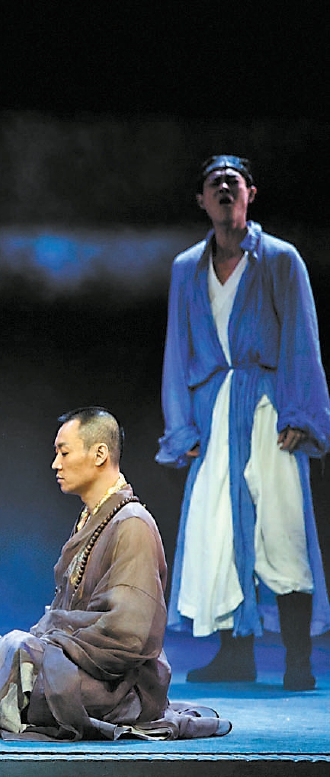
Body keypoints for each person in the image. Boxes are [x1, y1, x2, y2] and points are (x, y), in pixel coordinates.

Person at [0, 408, 230, 741]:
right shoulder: (92, 519)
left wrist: (48, 645)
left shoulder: (133, 524)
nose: (56, 464)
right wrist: (46, 643)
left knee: (7, 654)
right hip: (74, 662)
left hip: (114, 686)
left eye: (64, 452)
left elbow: (127, 639)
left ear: (100, 454)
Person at [157, 155, 330, 691]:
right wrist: (181, 428)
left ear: (250, 194)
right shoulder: (187, 267)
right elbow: (177, 350)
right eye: (215, 183)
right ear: (202, 200)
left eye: (234, 182)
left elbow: (301, 339)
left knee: (282, 528)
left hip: (268, 409)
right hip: (214, 412)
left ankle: (297, 660)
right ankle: (235, 655)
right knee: (217, 532)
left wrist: (302, 414)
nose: (225, 189)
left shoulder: (280, 259)